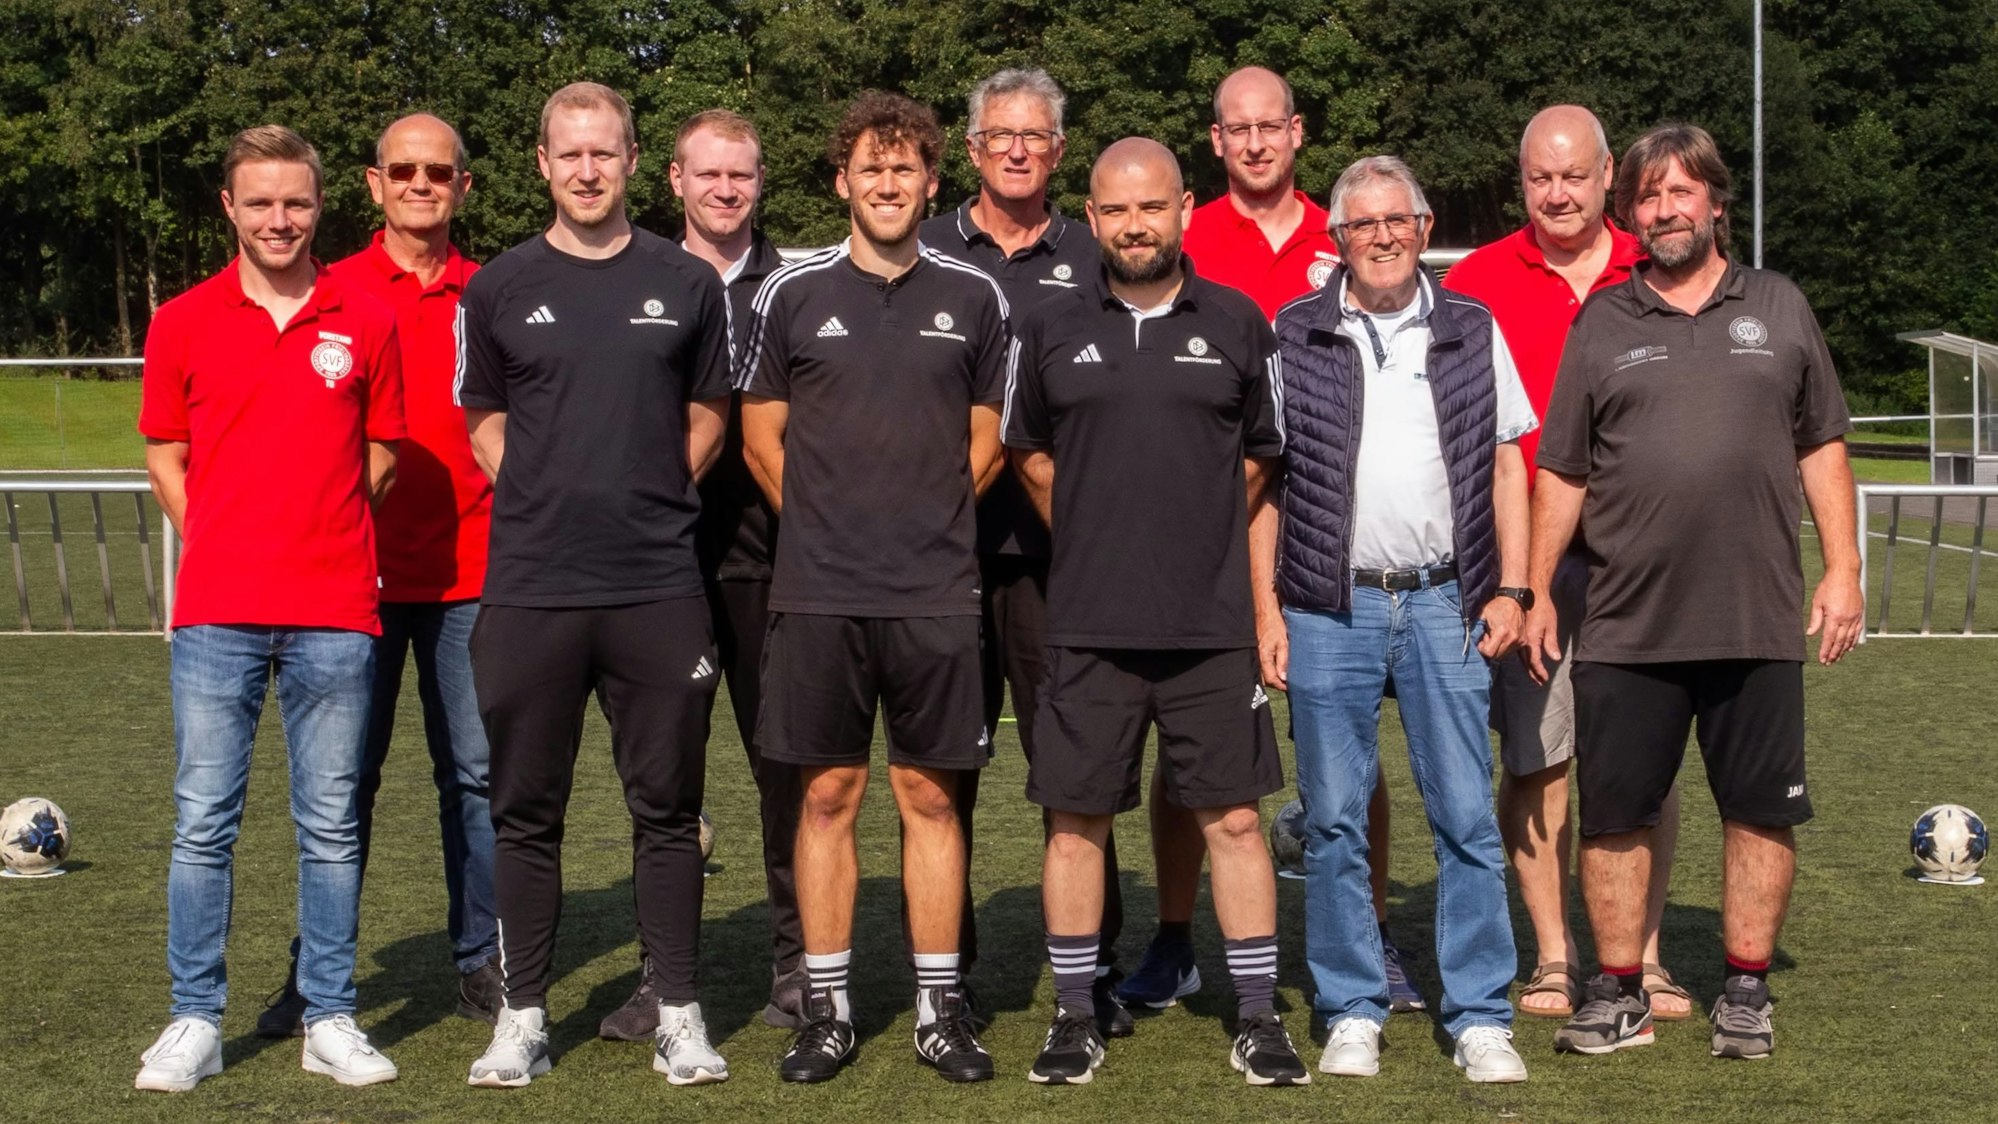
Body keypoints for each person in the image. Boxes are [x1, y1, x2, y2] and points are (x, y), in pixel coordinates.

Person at [1534, 123, 1861, 1061]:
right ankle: (1620, 991)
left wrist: (1844, 570)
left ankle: (1746, 993)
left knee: (1760, 809)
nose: (1664, 210)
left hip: (1754, 615)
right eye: (1646, 197)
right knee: (1616, 813)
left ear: (1717, 202)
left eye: (1681, 193)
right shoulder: (1603, 321)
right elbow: (1562, 469)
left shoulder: (1782, 306)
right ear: (1628, 213)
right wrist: (1536, 587)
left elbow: (1821, 443)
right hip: (1626, 620)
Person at [1005, 137, 1308, 1087]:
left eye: (1153, 207)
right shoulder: (1049, 327)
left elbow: (1263, 455)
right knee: (1075, 822)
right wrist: (1101, 527)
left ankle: (1257, 1016)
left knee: (1235, 822)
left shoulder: (1238, 321)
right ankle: (1073, 1013)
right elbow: (1031, 455)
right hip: (1088, 623)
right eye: (1115, 210)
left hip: (1208, 625)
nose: (1135, 225)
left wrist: (1193, 531)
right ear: (1090, 218)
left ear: (1184, 210)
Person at [455, 81, 734, 1088]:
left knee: (666, 809)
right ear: (542, 161)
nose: (586, 170)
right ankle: (523, 1013)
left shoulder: (685, 282)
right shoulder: (499, 285)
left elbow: (709, 412)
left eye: (604, 153)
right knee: (525, 810)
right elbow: (484, 416)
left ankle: (681, 1012)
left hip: (656, 584)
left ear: (629, 160)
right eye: (569, 153)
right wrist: (542, 493)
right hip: (531, 585)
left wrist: (650, 491)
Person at [1130, 65, 1416, 1021]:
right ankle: (1176, 942)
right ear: (1214, 141)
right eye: (1235, 129)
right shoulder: (1184, 231)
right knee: (1188, 752)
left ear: (1297, 133)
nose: (1253, 143)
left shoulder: (1341, 238)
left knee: (1351, 756)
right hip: (1203, 530)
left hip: (1334, 525)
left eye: (1270, 127)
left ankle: (1370, 943)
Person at [739, 91, 1007, 1084]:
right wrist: (824, 525)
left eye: (905, 168)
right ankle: (829, 1008)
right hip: (816, 591)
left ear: (932, 181)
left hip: (937, 590)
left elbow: (986, 439)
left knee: (930, 793)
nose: (887, 183)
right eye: (869, 167)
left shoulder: (976, 296)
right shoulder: (791, 295)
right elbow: (761, 434)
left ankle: (942, 1007)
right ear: (842, 180)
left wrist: (922, 521)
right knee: (827, 795)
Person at [135, 124, 405, 1092]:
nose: (279, 218)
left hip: (336, 609)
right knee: (204, 818)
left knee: (329, 822)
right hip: (216, 609)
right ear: (230, 208)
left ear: (319, 203)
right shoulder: (184, 319)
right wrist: (217, 528)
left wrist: (320, 528)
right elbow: (165, 448)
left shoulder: (363, 315)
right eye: (260, 202)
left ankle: (329, 1012)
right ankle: (193, 1017)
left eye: (295, 201)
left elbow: (382, 452)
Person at [1264, 155, 1533, 1084]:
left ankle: (1481, 1016)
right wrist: (1266, 605)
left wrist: (1516, 589)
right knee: (1334, 818)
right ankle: (1350, 1008)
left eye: (1396, 220)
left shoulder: (1471, 326)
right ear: (1336, 240)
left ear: (1423, 229)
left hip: (1448, 598)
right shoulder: (1293, 332)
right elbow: (1263, 483)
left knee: (1465, 814)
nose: (1379, 236)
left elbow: (1507, 467)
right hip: (1328, 602)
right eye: (1360, 224)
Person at [252, 112, 502, 1041]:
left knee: (474, 780)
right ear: (372, 183)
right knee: (339, 786)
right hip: (347, 585)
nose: (421, 184)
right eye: (403, 170)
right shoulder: (330, 290)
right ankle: (317, 976)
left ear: (464, 186)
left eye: (439, 171)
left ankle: (481, 959)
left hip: (473, 576)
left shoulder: (499, 289)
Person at [1443, 104, 1689, 1022]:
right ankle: (1553, 955)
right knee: (1539, 758)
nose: (1557, 194)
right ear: (1523, 183)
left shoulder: (1658, 265)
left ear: (1607, 178)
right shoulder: (1473, 281)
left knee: (1642, 768)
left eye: (1574, 176)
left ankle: (1645, 955)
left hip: (1646, 566)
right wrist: (1520, 578)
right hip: (1524, 565)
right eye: (1540, 178)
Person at [596, 108, 808, 1042]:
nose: (727, 191)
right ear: (673, 180)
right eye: (709, 175)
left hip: (775, 563)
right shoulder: (634, 273)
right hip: (659, 567)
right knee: (664, 783)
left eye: (744, 177)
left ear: (762, 183)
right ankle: (663, 978)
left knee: (787, 773)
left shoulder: (797, 284)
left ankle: (802, 967)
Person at [918, 67, 1120, 1033]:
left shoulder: (1096, 255)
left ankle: (1094, 973)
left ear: (1058, 150)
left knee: (1074, 771)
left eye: (1036, 135)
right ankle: (943, 979)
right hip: (939, 559)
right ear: (971, 149)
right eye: (1001, 134)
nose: (1018, 149)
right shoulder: (918, 250)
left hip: (1058, 559)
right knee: (942, 774)